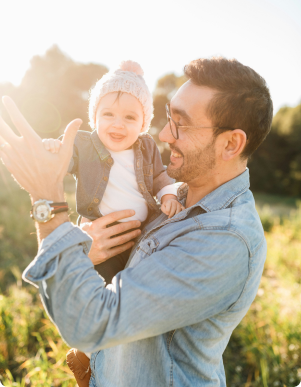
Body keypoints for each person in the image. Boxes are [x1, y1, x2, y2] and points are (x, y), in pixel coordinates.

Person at [0, 56, 273, 387]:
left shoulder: (225, 238)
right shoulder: (179, 197)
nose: (165, 134)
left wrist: (46, 199)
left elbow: (94, 322)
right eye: (169, 117)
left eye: (181, 124)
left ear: (231, 143)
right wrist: (84, 252)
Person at [41, 60, 184, 384]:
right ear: (95, 118)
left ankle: (113, 362)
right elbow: (64, 158)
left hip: (138, 242)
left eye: (130, 117)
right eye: (108, 115)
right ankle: (86, 358)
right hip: (101, 238)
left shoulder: (146, 147)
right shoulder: (86, 144)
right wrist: (53, 149)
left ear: (144, 123)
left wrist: (168, 195)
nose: (117, 125)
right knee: (94, 297)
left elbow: (161, 177)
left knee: (126, 303)